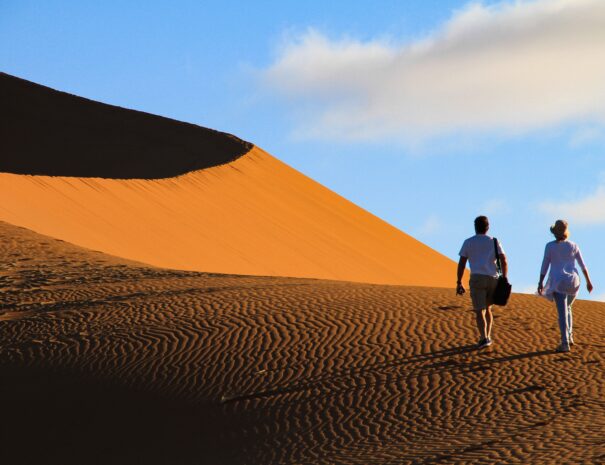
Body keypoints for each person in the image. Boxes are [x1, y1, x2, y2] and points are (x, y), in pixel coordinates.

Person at [538, 219, 593, 353]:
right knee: (568, 308)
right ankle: (570, 337)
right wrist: (588, 281)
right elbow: (582, 265)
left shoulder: (550, 246)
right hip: (573, 281)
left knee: (562, 313)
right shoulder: (573, 245)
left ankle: (565, 343)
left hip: (559, 282)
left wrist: (540, 281)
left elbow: (545, 264)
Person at [456, 216, 508, 349]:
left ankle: (483, 337)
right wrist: (505, 277)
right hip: (493, 279)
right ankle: (488, 336)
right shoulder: (494, 241)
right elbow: (504, 259)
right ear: (487, 227)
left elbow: (462, 263)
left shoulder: (468, 242)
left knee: (480, 310)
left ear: (475, 227)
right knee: (488, 308)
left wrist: (459, 281)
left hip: (477, 278)